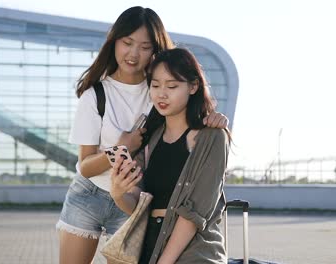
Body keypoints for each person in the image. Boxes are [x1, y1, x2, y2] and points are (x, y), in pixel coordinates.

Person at [56, 7, 229, 264]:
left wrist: (216, 118)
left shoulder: (158, 91)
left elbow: (190, 119)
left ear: (156, 50)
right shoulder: (96, 95)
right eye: (127, 43)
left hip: (135, 201)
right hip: (92, 194)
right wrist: (120, 149)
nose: (134, 54)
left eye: (145, 46)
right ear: (114, 41)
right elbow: (86, 167)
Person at [110, 48, 229, 264]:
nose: (161, 94)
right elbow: (138, 203)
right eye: (155, 85)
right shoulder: (149, 138)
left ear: (193, 86)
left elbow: (193, 215)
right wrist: (118, 193)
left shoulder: (212, 138)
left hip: (194, 253)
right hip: (148, 248)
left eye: (172, 86)